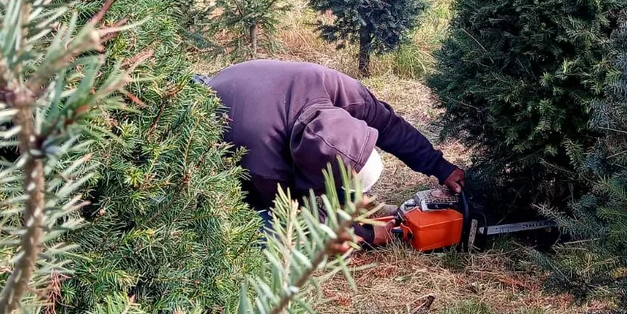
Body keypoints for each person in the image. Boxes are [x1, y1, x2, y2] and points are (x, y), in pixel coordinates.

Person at [199, 59, 466, 244]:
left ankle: (347, 200)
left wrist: (440, 167)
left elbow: (389, 126)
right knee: (273, 230)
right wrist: (366, 235)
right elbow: (297, 214)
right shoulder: (265, 165)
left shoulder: (339, 90)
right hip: (217, 112)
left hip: (252, 80)